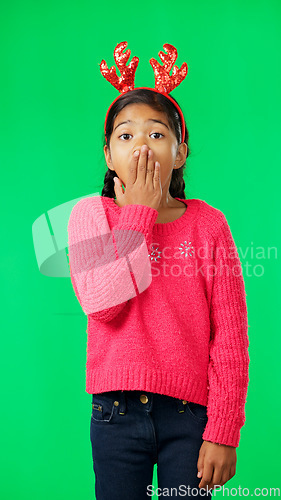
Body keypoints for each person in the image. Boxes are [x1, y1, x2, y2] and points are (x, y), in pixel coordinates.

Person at [67, 42, 250, 500]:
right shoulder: (91, 216)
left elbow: (229, 335)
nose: (141, 146)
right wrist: (140, 215)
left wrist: (223, 429)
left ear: (180, 152)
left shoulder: (209, 224)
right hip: (116, 415)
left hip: (190, 418)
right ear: (109, 156)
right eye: (125, 136)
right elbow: (102, 305)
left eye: (157, 134)